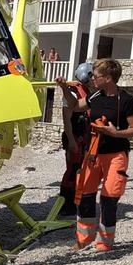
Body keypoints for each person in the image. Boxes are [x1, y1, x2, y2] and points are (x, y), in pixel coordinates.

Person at [59, 58, 133, 252]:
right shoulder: (95, 95)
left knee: (109, 197)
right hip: (93, 153)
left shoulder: (127, 101)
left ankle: (105, 242)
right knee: (85, 196)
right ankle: (83, 240)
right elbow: (74, 105)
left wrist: (115, 133)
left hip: (116, 155)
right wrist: (64, 88)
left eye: (95, 76)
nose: (92, 79)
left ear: (108, 78)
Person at [53, 62, 94, 232]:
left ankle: (75, 202)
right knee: (72, 169)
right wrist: (71, 140)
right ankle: (65, 204)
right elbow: (66, 116)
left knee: (80, 170)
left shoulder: (89, 92)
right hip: (74, 136)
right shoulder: (72, 91)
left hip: (84, 136)